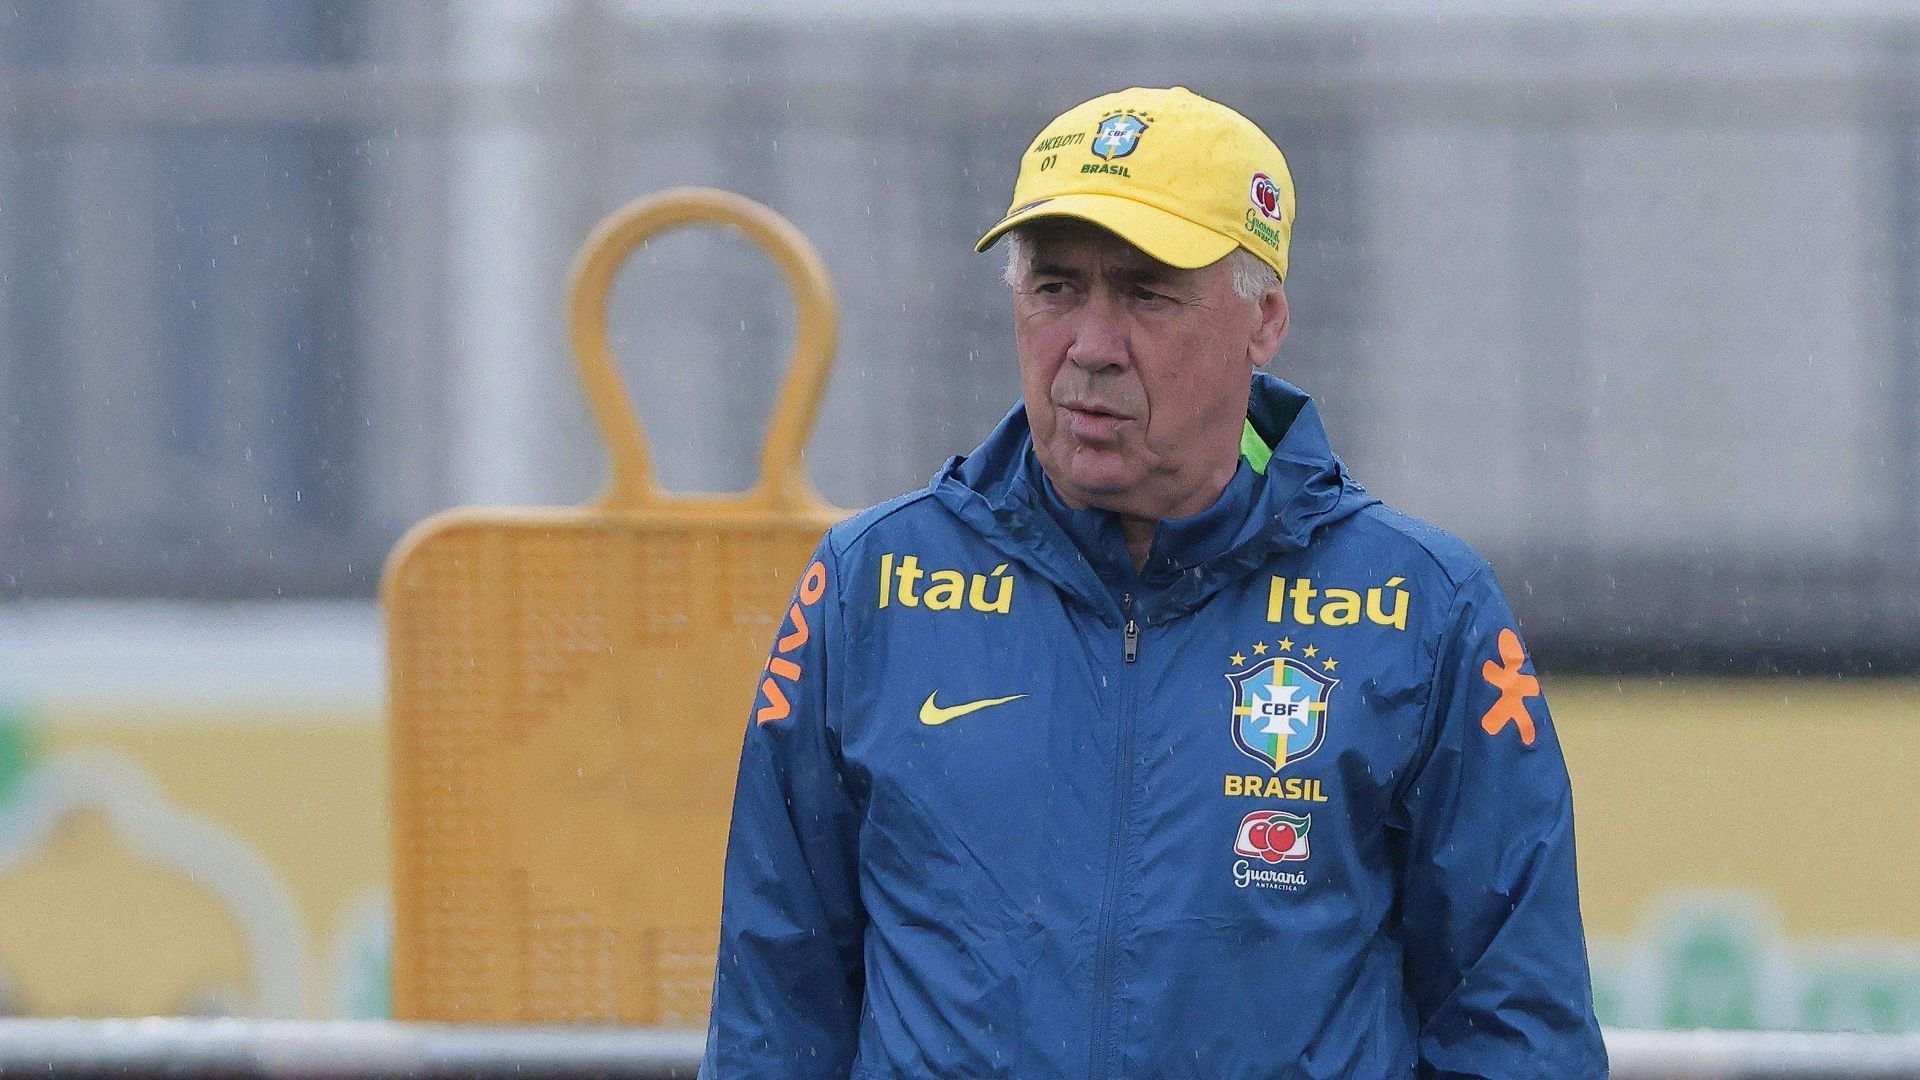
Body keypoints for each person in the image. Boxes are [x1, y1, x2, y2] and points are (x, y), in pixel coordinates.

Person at [700, 86, 1607, 1079]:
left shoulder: (1424, 610)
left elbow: (1516, 1029)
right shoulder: (870, 587)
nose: (1089, 347)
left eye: (1145, 293)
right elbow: (773, 1012)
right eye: (1054, 288)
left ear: (1264, 322)